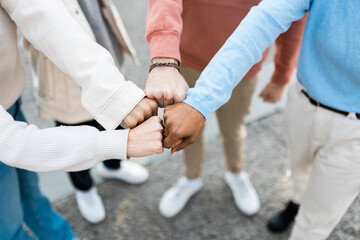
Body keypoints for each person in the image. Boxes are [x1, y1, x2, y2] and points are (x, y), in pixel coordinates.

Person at [162, 0, 360, 239]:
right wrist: (195, 96)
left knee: (317, 221)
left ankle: (237, 174)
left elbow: (292, 25)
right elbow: (267, 17)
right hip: (304, 97)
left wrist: (280, 75)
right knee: (299, 170)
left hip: (353, 126)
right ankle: (294, 202)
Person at [0, 0, 162, 239]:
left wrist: (114, 92)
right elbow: (11, 143)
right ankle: (83, 189)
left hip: (8, 99)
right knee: (9, 228)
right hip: (9, 133)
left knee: (31, 194)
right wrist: (121, 143)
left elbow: (39, 11)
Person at [145, 0, 306, 218]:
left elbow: (294, 18)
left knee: (234, 128)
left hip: (243, 66)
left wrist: (281, 75)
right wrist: (164, 57)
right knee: (185, 130)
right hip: (190, 59)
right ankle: (191, 178)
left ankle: (236, 173)